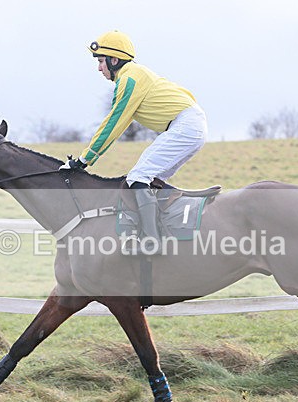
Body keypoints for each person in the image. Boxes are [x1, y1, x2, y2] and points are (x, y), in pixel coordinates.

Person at [60, 30, 208, 255]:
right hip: (188, 124)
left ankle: (151, 241)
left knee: (138, 177)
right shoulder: (134, 74)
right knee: (151, 180)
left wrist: (83, 160)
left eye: (101, 61)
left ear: (114, 60)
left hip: (185, 126)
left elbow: (113, 123)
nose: (99, 68)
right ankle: (163, 229)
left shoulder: (129, 78)